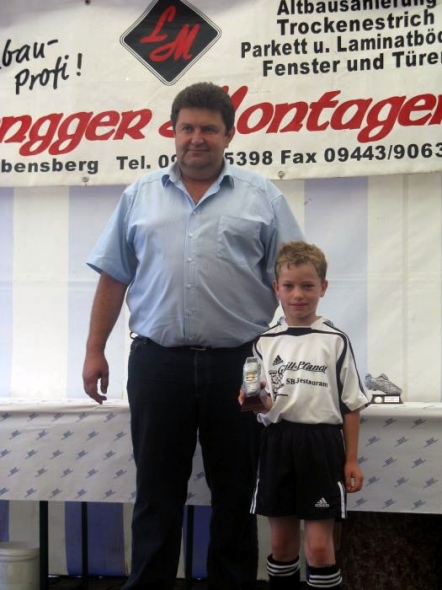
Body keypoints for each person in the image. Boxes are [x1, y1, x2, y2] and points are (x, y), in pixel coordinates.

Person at [82, 81, 303, 590]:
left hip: (241, 365)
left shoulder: (263, 197)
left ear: (229, 134)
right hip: (158, 364)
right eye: (187, 128)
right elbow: (113, 277)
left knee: (236, 493)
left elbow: (292, 279)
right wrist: (94, 350)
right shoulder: (139, 196)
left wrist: (296, 357)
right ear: (173, 131)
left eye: (208, 129)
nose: (196, 138)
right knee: (156, 493)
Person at [240, 241, 368, 589]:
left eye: (308, 285)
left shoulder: (335, 340)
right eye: (289, 286)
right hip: (277, 443)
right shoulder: (264, 342)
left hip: (321, 445)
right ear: (276, 288)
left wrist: (351, 460)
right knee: (281, 544)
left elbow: (351, 404)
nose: (298, 294)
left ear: (323, 288)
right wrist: (254, 399)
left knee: (319, 547)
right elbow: (264, 403)